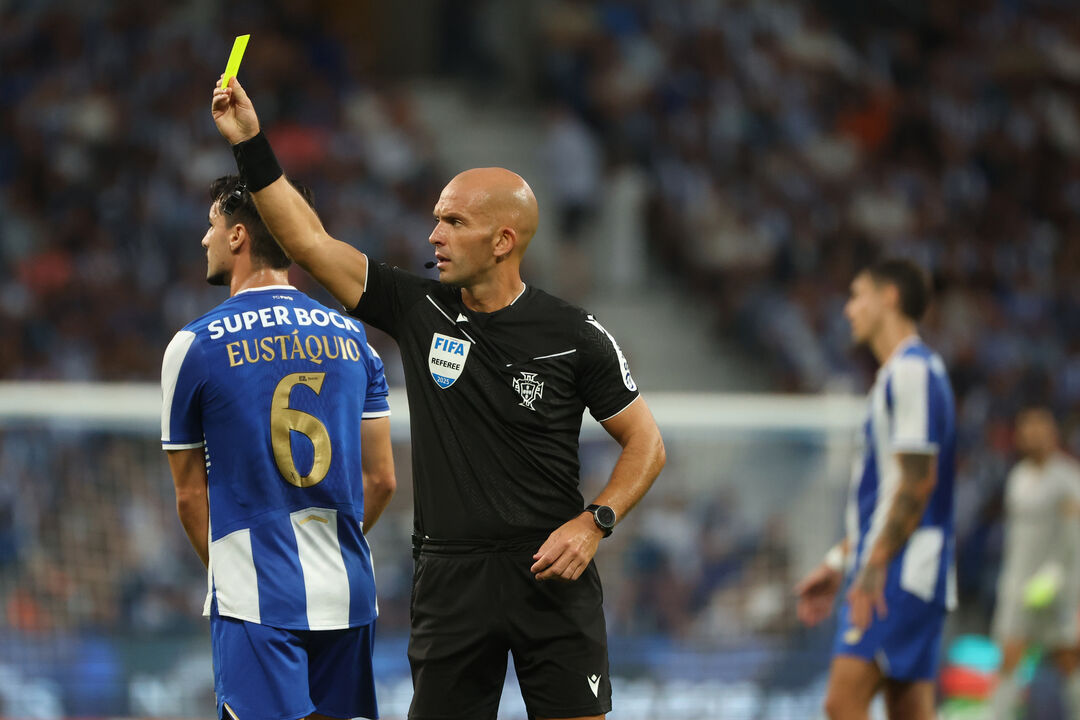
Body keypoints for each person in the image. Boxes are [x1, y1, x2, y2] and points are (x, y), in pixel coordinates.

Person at [211, 77, 666, 720]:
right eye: (436, 220)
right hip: (450, 577)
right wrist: (250, 143)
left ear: (502, 241)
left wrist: (595, 522)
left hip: (550, 573)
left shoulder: (574, 334)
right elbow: (310, 244)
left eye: (454, 222)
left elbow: (646, 443)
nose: (434, 236)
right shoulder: (417, 308)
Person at [160, 175, 396, 720]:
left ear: (238, 235)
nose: (205, 238)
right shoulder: (354, 338)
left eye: (213, 225)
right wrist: (318, 545)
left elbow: (190, 496)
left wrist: (235, 570)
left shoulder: (193, 345)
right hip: (348, 590)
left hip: (256, 594)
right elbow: (382, 480)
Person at [795, 258, 957, 720]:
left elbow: (918, 481)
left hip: (899, 571)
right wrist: (838, 561)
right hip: (904, 564)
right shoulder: (903, 374)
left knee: (842, 702)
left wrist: (874, 566)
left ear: (889, 297)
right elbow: (888, 496)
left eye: (856, 295)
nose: (848, 309)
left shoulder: (911, 371)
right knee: (908, 709)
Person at [988, 408, 1080, 719]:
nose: (1033, 438)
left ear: (1052, 435)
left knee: (1068, 660)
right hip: (1018, 585)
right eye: (1027, 433)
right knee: (1009, 658)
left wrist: (1061, 580)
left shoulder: (1068, 479)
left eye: (1039, 432)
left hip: (1057, 587)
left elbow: (1074, 538)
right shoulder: (1017, 478)